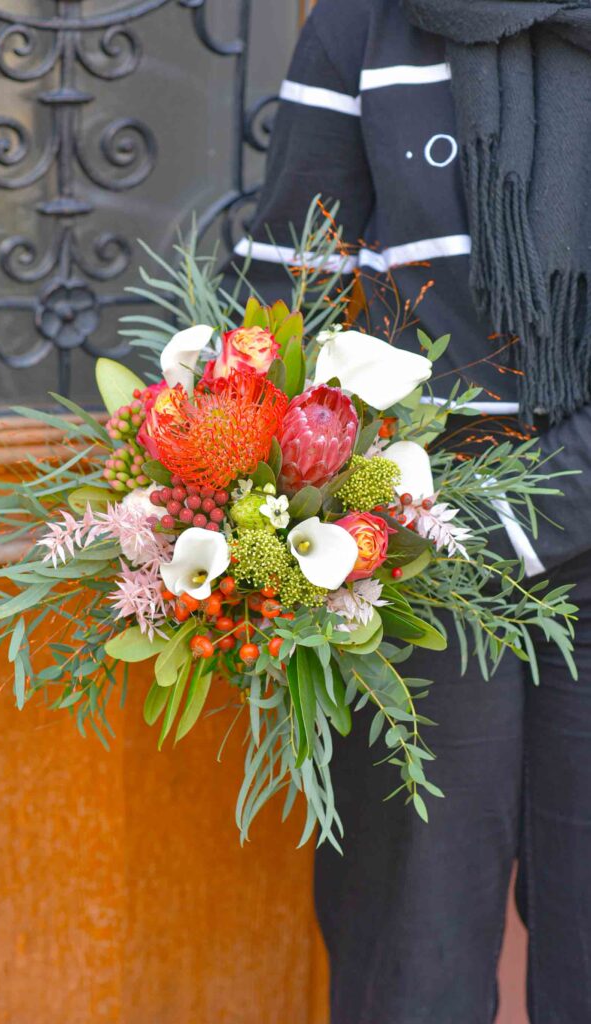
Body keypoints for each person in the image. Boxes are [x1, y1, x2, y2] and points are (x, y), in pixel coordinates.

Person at [234, 1, 591, 1021]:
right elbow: (286, 287)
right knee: (407, 948)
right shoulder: (363, 23)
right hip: (411, 563)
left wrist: (507, 524)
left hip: (467, 533)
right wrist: (244, 495)